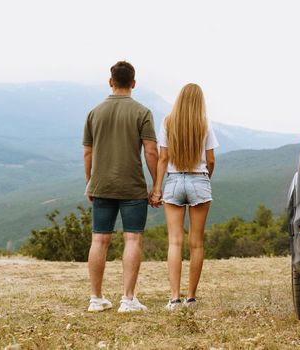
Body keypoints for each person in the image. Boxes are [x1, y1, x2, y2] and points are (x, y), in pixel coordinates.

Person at [83, 61, 158, 313]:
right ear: (134, 83)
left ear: (110, 81)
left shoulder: (94, 112)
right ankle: (127, 299)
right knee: (133, 239)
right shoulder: (142, 112)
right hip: (132, 186)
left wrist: (89, 182)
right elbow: (150, 151)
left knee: (99, 240)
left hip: (102, 184)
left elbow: (87, 154)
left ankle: (96, 298)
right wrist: (156, 183)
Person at [151, 83, 219, 309]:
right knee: (196, 244)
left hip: (173, 180)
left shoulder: (167, 122)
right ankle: (191, 297)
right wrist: (204, 179)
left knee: (175, 242)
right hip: (198, 179)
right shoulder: (204, 124)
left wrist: (158, 189)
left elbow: (162, 159)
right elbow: (210, 160)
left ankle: (173, 298)